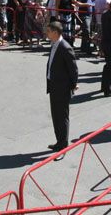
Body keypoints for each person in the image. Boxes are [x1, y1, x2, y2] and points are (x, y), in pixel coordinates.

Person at [45, 21, 78, 153]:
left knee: (62, 116)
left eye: (48, 31)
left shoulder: (65, 47)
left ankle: (63, 143)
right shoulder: (54, 45)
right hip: (53, 85)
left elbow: (73, 69)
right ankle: (59, 141)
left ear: (55, 32)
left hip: (62, 87)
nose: (46, 33)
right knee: (55, 115)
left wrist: (73, 85)